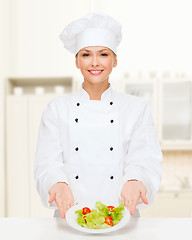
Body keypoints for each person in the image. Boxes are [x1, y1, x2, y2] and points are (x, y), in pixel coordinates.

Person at [34, 12, 162, 219]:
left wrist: (135, 179)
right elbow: (47, 163)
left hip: (122, 218)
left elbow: (145, 158)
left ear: (115, 60)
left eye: (103, 54)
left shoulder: (136, 108)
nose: (95, 62)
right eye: (86, 54)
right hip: (70, 218)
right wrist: (57, 183)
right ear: (77, 61)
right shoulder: (56, 109)